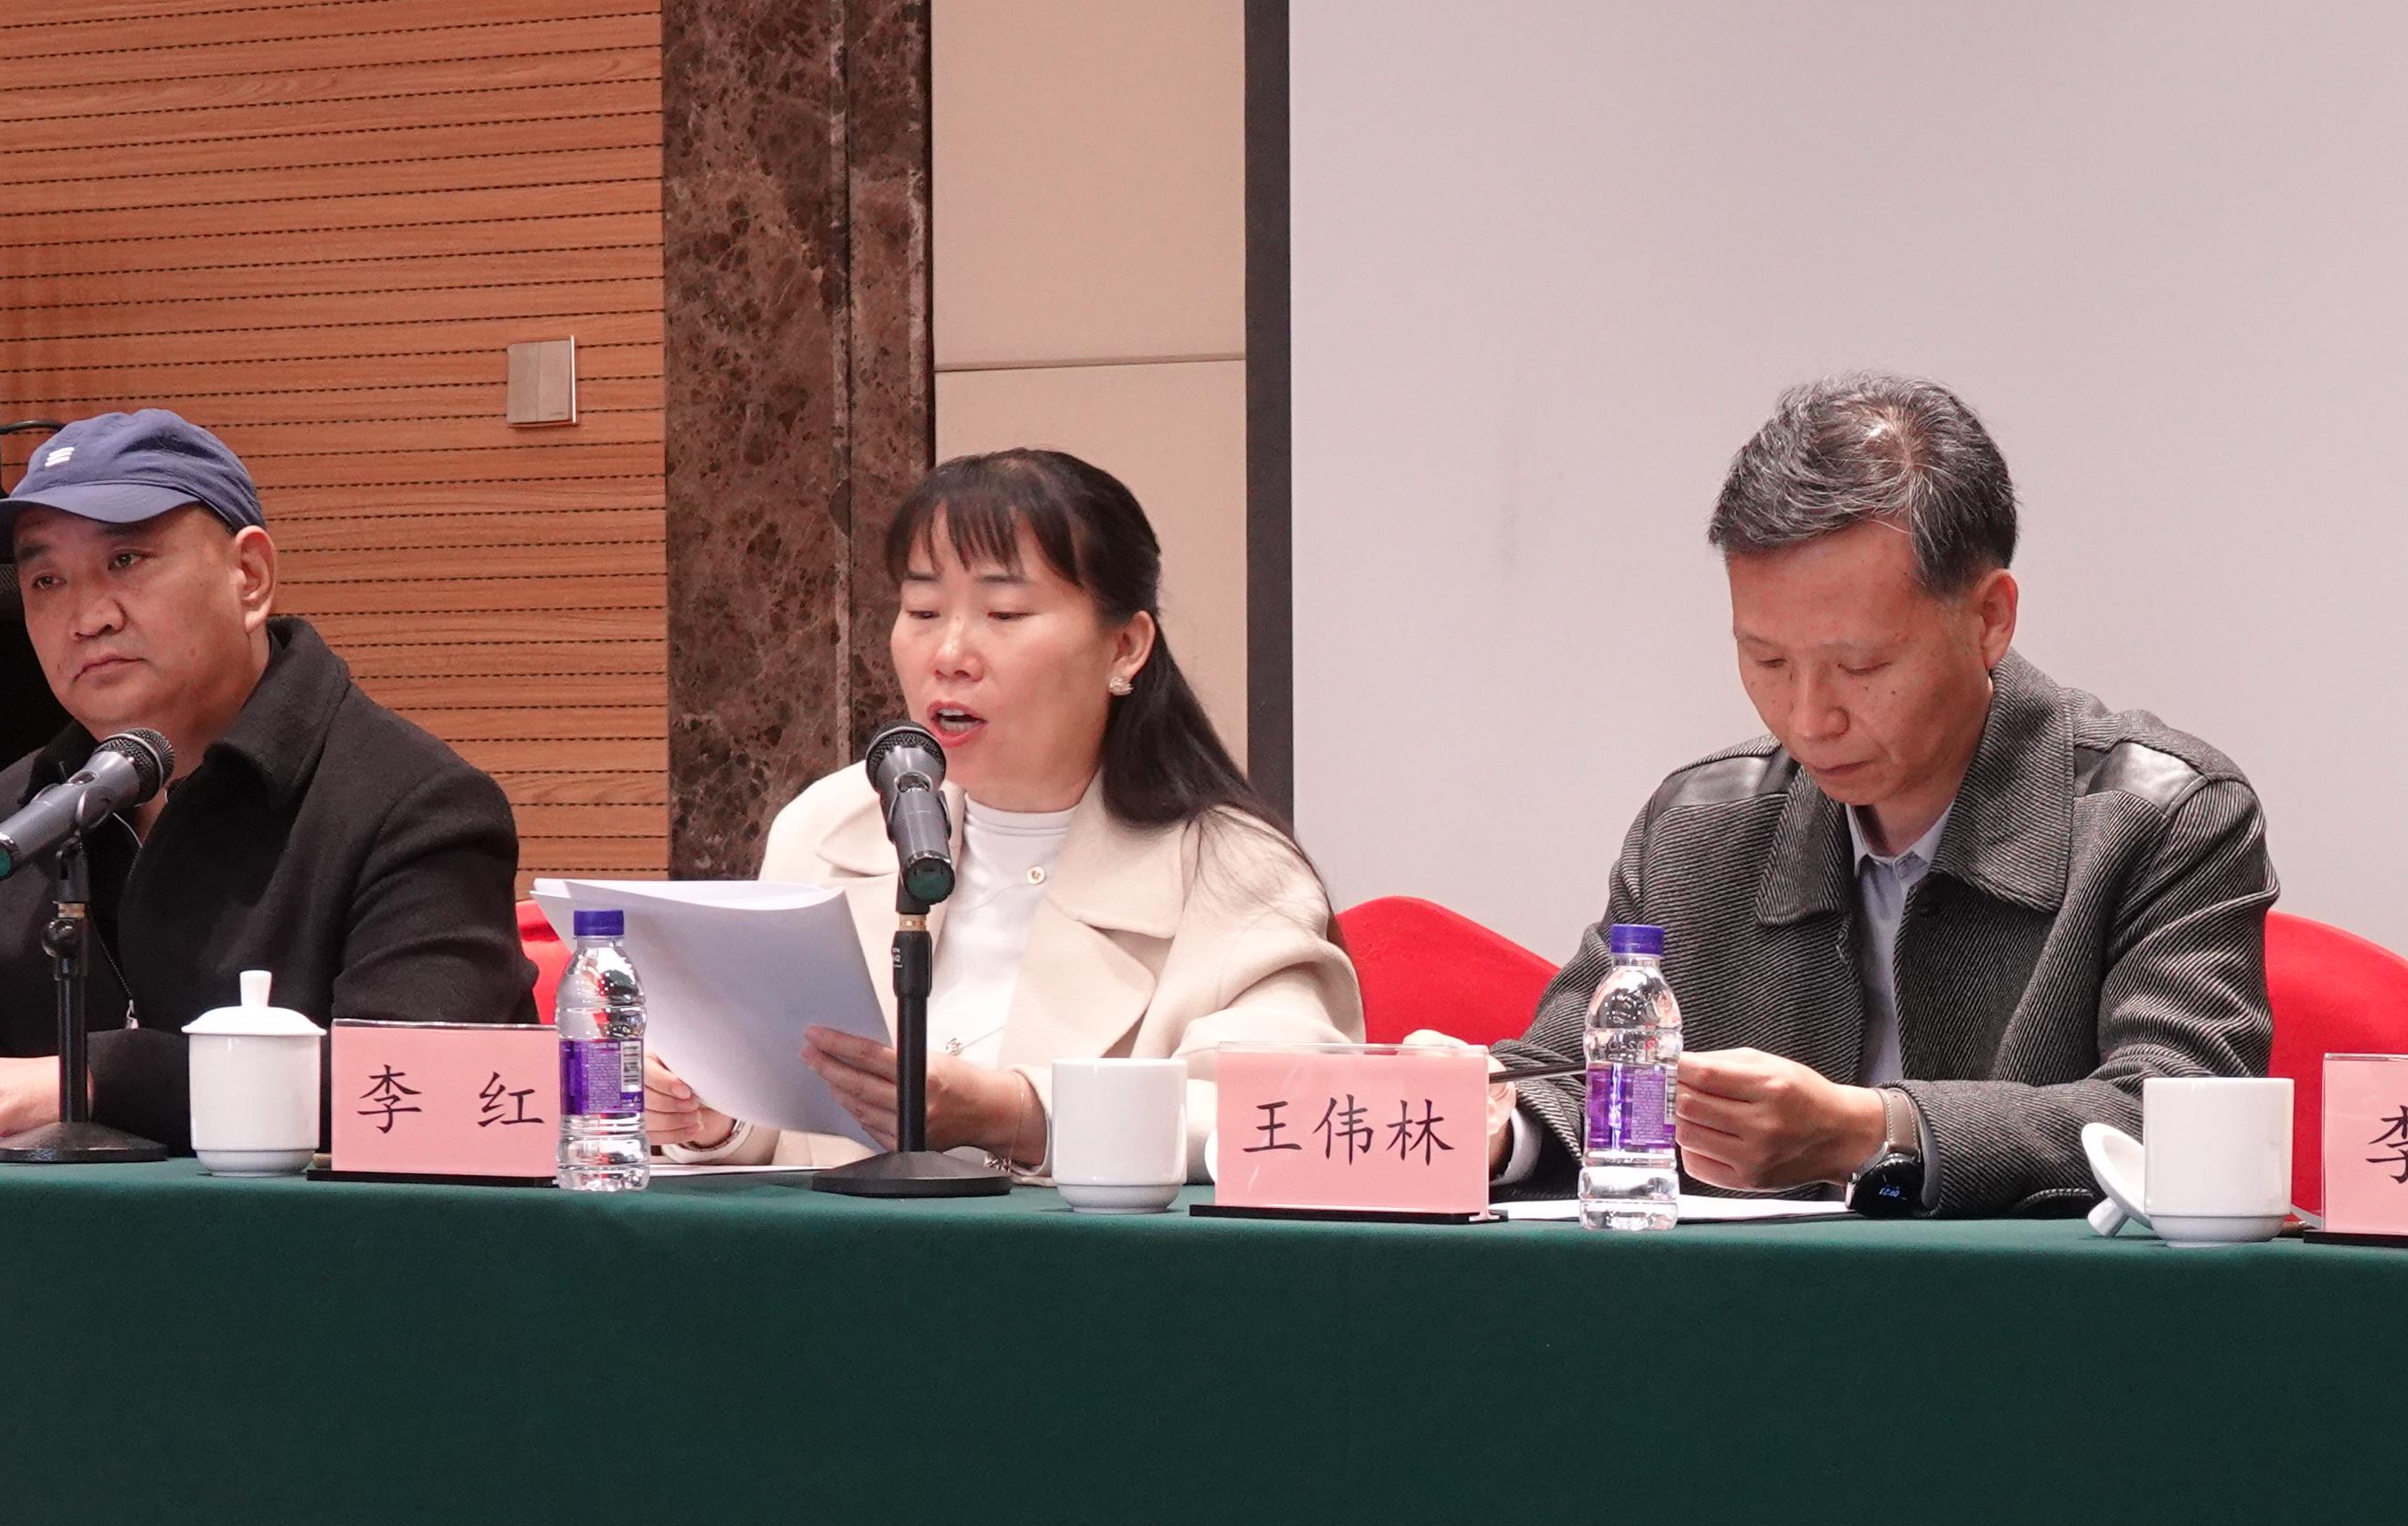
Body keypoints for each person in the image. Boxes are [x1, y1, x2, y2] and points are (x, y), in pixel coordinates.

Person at [1478, 373, 2276, 1217]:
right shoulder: (1700, 826)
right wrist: (1496, 1121)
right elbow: (1573, 1081)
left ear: (1990, 619)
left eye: (1861, 666)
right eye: (1768, 661)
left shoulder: (2162, 816)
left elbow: (2180, 1122)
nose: (1809, 719)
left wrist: (1876, 1131)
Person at [0, 409, 538, 1149]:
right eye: (46, 580)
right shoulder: (17, 811)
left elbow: (414, 1087)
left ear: (249, 577)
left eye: (126, 561)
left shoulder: (415, 806)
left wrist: (96, 1077)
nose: (87, 617)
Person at [645, 448, 1359, 1170]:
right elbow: (795, 1119)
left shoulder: (1236, 872)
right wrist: (714, 1114)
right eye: (923, 611)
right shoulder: (829, 827)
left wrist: (1022, 1116)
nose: (950, 653)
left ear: (1125, 646)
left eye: (1005, 613)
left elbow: (1290, 1116)